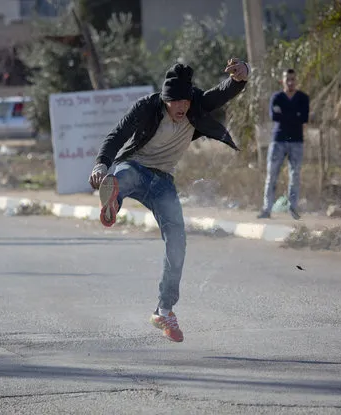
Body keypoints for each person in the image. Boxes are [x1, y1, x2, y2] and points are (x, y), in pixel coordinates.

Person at [88, 58, 250, 342]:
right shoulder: (146, 107)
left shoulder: (195, 105)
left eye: (185, 102)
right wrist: (101, 164)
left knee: (177, 240)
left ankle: (164, 310)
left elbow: (220, 94)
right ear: (165, 100)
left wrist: (240, 79)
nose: (182, 108)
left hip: (163, 180)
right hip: (136, 166)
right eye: (176, 103)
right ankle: (112, 203)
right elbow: (117, 135)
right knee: (122, 178)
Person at [258, 68, 309, 220]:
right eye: (288, 79)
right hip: (278, 140)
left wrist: (285, 114)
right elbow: (274, 115)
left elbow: (304, 117)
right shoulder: (277, 97)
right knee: (272, 175)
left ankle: (293, 208)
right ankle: (266, 209)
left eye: (293, 79)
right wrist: (294, 115)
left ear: (296, 81)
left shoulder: (303, 98)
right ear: (283, 81)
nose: (290, 82)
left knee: (295, 176)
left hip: (297, 142)